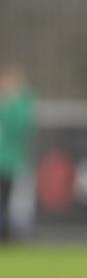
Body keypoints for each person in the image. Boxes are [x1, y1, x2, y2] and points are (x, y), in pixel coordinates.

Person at [0, 65, 35, 243]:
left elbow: (21, 127)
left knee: (11, 199)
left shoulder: (21, 103)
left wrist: (10, 104)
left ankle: (10, 233)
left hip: (11, 161)